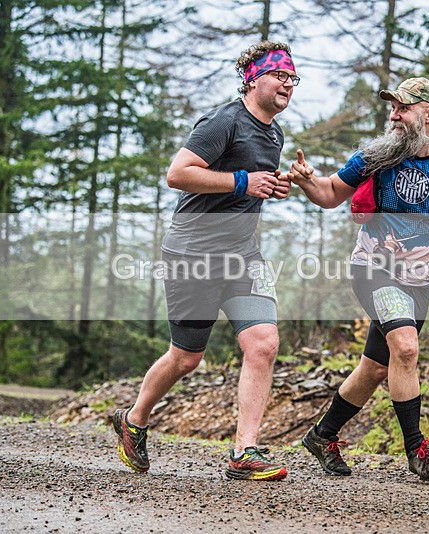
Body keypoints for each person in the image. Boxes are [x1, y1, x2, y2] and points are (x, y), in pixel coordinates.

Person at [288, 78, 429, 481]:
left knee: (376, 367)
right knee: (405, 347)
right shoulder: (377, 155)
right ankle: (417, 450)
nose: (393, 115)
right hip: (372, 266)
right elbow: (330, 193)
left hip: (419, 280)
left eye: (402, 108)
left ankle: (323, 435)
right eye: (391, 108)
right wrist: (306, 181)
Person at [112, 41, 299, 481]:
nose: (289, 85)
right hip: (192, 254)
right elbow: (178, 173)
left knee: (263, 344)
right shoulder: (224, 121)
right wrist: (242, 181)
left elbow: (250, 186)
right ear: (254, 78)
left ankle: (244, 452)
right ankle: (134, 420)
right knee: (186, 357)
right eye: (281, 76)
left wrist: (271, 186)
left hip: (242, 256)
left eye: (294, 79)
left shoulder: (274, 133)